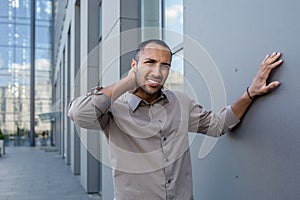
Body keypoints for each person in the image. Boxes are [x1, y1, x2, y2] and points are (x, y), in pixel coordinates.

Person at [68, 39, 283, 200]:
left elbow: (218, 125)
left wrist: (250, 93)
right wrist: (129, 81)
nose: (158, 71)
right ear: (134, 65)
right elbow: (80, 114)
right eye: (150, 62)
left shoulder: (180, 102)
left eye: (165, 65)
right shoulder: (114, 108)